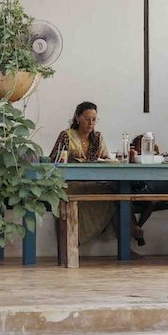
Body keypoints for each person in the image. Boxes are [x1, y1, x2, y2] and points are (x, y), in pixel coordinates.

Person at [50, 102, 115, 242]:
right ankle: (75, 239)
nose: (91, 123)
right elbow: (54, 161)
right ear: (78, 118)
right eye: (87, 119)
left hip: (92, 181)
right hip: (69, 183)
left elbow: (105, 158)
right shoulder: (66, 136)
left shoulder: (97, 138)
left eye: (94, 119)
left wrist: (107, 160)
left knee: (114, 192)